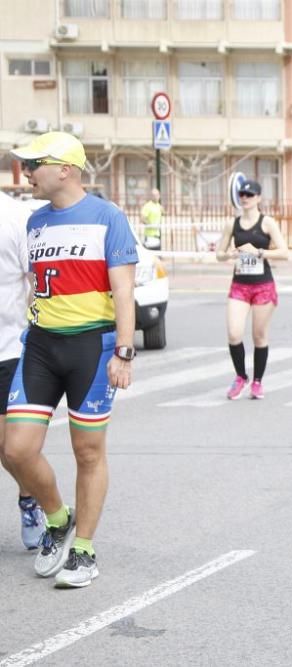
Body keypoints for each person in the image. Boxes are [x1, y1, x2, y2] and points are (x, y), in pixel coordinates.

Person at [4, 131, 138, 587]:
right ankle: (58, 519)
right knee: (16, 449)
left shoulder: (107, 216)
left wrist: (123, 351)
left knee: (87, 451)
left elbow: (123, 290)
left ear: (65, 169)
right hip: (41, 345)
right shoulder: (33, 221)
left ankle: (83, 549)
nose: (26, 172)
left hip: (91, 348)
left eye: (34, 163)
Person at [0, 191, 47, 550]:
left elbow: (33, 283)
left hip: (8, 347)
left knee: (9, 447)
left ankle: (31, 499)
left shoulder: (15, 217)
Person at [216, 179, 289, 399]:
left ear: (258, 198)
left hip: (262, 285)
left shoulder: (267, 223)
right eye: (242, 195)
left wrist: (259, 252)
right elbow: (219, 253)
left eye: (249, 194)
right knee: (234, 332)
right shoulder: (233, 224)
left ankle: (257, 381)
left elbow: (284, 252)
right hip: (239, 285)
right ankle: (241, 377)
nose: (245, 198)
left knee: (259, 335)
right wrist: (228, 255)